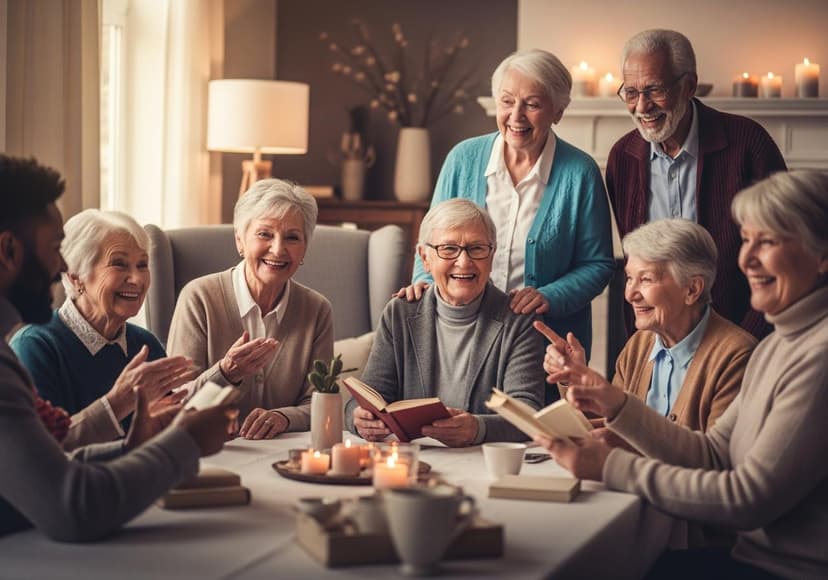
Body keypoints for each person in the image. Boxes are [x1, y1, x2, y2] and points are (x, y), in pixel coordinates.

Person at [535, 170, 828, 579]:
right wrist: (613, 401)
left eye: (769, 241)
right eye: (745, 240)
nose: (745, 260)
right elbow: (712, 453)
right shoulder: (780, 343)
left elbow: (748, 498)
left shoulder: (815, 356)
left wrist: (609, 467)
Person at [0, 155, 234, 540]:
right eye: (55, 247)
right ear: (9, 251)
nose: (62, 264)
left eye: (143, 265)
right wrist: (186, 442)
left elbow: (56, 465)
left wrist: (135, 445)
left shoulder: (143, 344)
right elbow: (73, 506)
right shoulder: (21, 354)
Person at [405, 48, 615, 401]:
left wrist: (548, 295)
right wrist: (425, 283)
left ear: (558, 111)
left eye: (532, 104)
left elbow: (599, 265)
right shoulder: (462, 159)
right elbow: (430, 243)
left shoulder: (580, 173)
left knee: (532, 438)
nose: (516, 116)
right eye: (507, 101)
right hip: (463, 334)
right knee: (457, 429)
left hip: (542, 345)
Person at [607, 29, 787, 341]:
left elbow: (783, 251)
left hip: (740, 333)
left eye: (654, 90)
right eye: (631, 93)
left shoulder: (747, 143)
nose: (641, 107)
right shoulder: (622, 157)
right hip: (657, 341)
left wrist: (746, 342)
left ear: (689, 85)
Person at [346, 199, 546, 447]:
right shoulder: (399, 312)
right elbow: (368, 397)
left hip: (483, 462)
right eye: (449, 249)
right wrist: (359, 419)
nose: (464, 262)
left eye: (477, 248)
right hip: (410, 461)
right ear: (425, 257)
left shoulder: (519, 321)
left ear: (491, 255)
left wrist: (478, 428)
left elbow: (528, 413)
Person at [540, 219, 756, 432]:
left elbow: (717, 458)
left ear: (692, 290)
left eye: (646, 280)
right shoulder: (639, 345)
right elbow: (611, 423)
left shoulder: (736, 357)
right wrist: (575, 380)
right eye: (629, 278)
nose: (630, 294)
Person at [10, 210, 194, 450]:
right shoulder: (35, 346)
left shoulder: (146, 344)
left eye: (142, 264)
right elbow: (42, 451)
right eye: (119, 264)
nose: (137, 279)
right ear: (76, 276)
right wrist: (118, 403)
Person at [167, 179, 333, 440]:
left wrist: (283, 418)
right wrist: (226, 373)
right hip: (213, 454)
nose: (278, 249)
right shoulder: (199, 298)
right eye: (264, 234)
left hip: (285, 456)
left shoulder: (317, 310)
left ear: (304, 250)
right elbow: (175, 405)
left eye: (292, 237)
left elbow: (322, 404)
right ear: (240, 241)